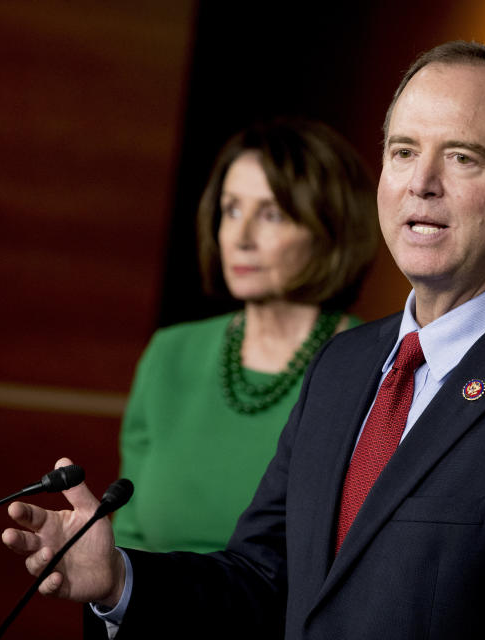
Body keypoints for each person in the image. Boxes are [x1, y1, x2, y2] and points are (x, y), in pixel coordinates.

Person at [2, 41, 485, 639]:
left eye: (461, 157)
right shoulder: (343, 366)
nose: (420, 182)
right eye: (402, 152)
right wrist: (120, 579)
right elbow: (263, 580)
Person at [112, 120, 379, 555]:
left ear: (329, 229)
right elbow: (130, 538)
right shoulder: (170, 354)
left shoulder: (376, 368)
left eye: (271, 214)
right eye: (231, 209)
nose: (241, 237)